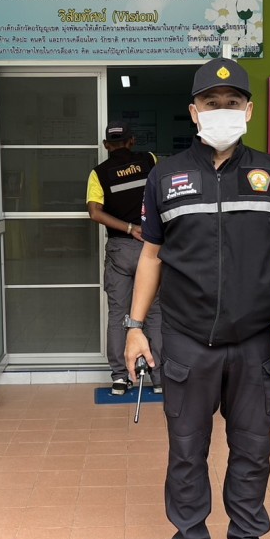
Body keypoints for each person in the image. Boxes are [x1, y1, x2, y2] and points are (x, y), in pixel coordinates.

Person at [124, 57, 270, 539]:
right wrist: (135, 327)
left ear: (249, 111)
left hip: (253, 343)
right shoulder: (165, 177)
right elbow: (151, 257)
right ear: (194, 111)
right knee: (187, 451)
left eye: (232, 103)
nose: (222, 110)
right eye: (212, 103)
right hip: (186, 341)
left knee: (253, 450)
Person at [86, 121, 162, 396]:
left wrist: (129, 228)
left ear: (107, 145)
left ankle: (120, 378)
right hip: (151, 248)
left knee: (119, 314)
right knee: (154, 312)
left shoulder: (98, 173)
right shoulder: (150, 160)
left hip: (120, 248)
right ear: (132, 141)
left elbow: (95, 212)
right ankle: (159, 378)